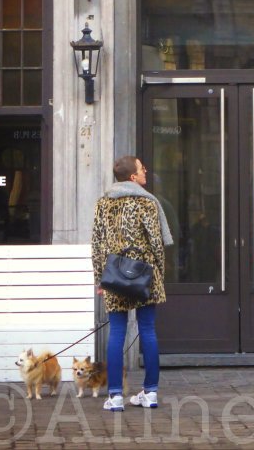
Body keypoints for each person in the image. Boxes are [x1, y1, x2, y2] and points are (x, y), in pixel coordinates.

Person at [91, 155, 173, 412]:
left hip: (114, 274)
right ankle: (150, 393)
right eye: (141, 169)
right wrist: (159, 271)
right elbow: (156, 243)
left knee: (117, 331)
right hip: (144, 273)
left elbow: (97, 244)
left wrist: (99, 278)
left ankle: (115, 396)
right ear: (132, 177)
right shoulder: (147, 202)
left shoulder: (103, 203)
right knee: (147, 329)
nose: (145, 171)